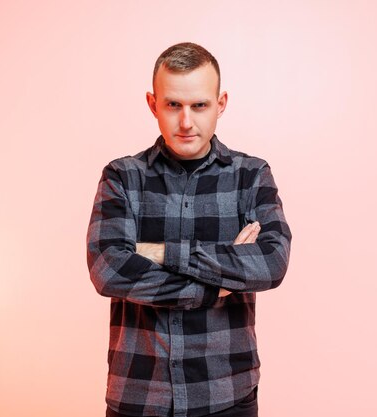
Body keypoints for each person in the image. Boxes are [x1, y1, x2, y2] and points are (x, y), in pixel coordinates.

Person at [86, 42, 292, 417]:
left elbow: (271, 262)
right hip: (139, 394)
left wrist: (152, 251)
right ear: (153, 104)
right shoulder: (122, 176)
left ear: (221, 103)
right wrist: (221, 281)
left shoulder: (251, 175)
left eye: (199, 105)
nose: (185, 122)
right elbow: (108, 268)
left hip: (227, 394)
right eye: (172, 105)